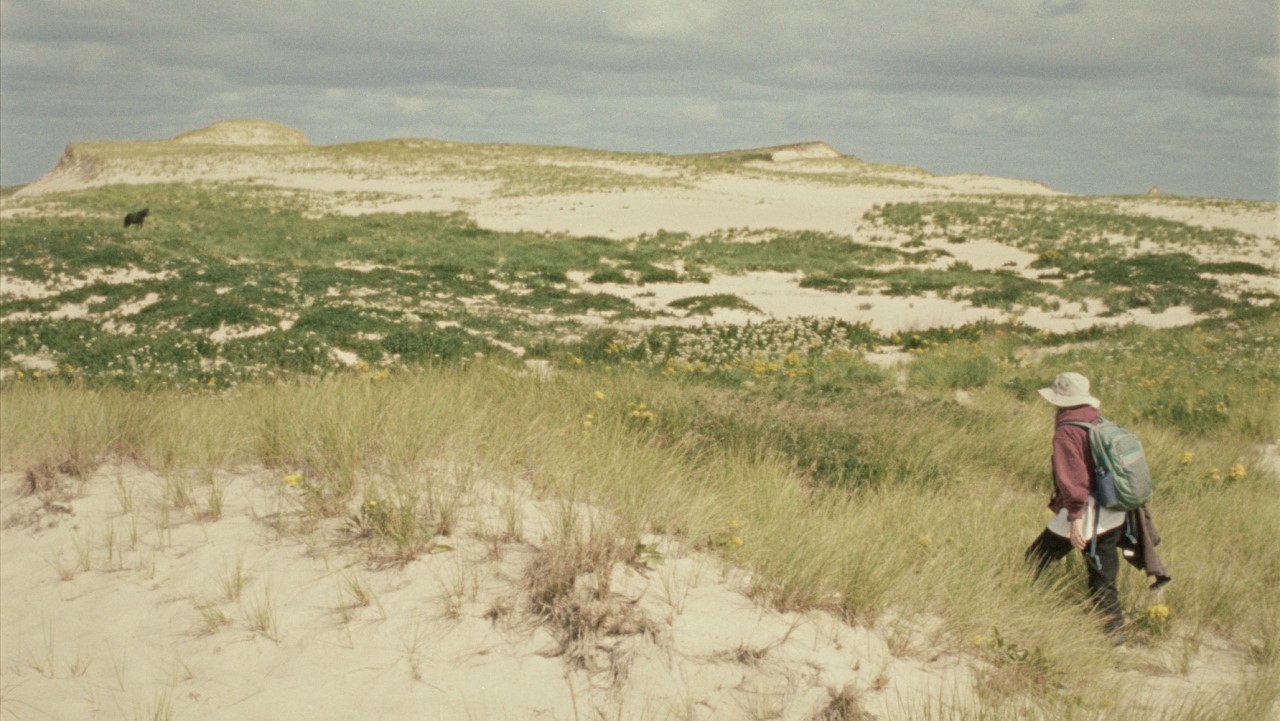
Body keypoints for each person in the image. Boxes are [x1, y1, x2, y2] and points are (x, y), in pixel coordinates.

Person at [1024, 372, 1127, 639]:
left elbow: (1074, 480)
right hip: (1114, 510)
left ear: (1059, 401)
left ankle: (1027, 609)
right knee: (1103, 581)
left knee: (1035, 560)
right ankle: (1115, 637)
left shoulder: (1066, 431)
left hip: (1085, 513)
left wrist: (1075, 520)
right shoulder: (1097, 420)